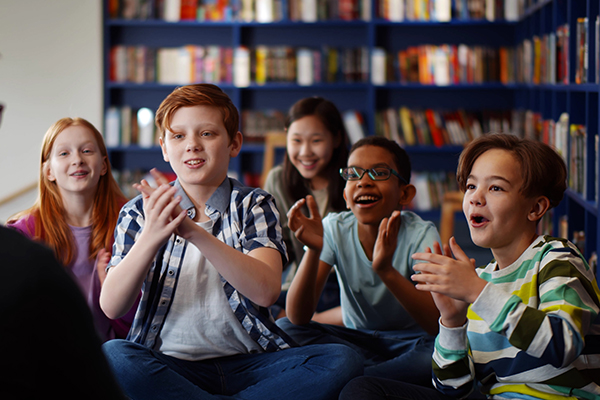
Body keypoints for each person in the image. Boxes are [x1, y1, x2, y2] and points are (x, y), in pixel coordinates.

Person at [99, 83, 363, 400]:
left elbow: (265, 291)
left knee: (342, 360)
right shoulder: (139, 211)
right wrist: (152, 236)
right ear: (165, 148)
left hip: (250, 364)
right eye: (178, 136)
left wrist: (195, 232)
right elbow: (113, 306)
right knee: (113, 355)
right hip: (169, 364)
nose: (192, 145)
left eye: (207, 134)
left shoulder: (255, 204)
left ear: (234, 143)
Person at [339, 133, 600, 400]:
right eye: (471, 186)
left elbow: (563, 344)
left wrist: (478, 292)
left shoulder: (558, 258)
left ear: (535, 207)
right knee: (362, 389)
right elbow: (454, 388)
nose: (475, 198)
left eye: (495, 188)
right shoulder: (480, 280)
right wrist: (452, 322)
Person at [277, 136, 442, 385]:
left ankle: (349, 376)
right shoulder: (334, 229)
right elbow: (298, 317)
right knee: (286, 328)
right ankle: (369, 377)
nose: (364, 182)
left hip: (410, 342)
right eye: (354, 174)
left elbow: (435, 325)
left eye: (380, 173)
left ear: (404, 193)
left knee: (439, 353)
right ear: (345, 195)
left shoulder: (421, 234)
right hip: (355, 340)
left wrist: (386, 271)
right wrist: (313, 249)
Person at [6, 117, 134, 342]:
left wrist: (116, 293)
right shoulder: (23, 235)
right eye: (64, 153)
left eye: (86, 150)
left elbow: (143, 324)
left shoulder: (132, 224)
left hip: (112, 356)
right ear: (48, 172)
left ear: (103, 165)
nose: (77, 160)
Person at [264, 96, 349, 322]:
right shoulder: (278, 180)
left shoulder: (355, 182)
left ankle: (307, 324)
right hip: (299, 285)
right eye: (296, 140)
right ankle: (302, 323)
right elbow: (277, 250)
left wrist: (308, 319)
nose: (305, 152)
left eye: (316, 141)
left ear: (337, 138)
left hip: (343, 288)